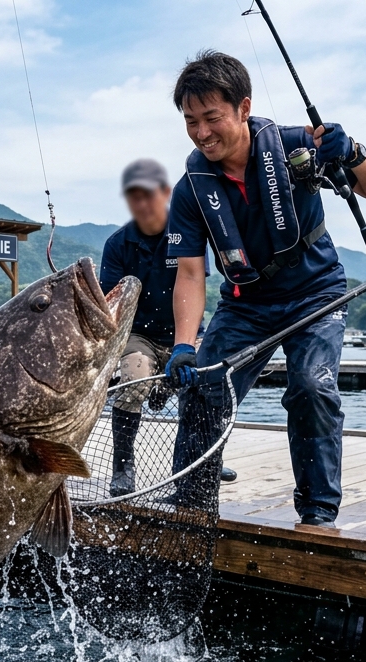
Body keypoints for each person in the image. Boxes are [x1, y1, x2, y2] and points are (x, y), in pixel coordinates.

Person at [162, 50, 366, 527]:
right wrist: (184, 344)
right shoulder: (191, 188)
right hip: (246, 301)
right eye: (190, 121)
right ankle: (190, 507)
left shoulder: (298, 148)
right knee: (206, 387)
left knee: (312, 386)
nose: (201, 132)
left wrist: (351, 151)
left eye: (212, 118)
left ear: (243, 108)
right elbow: (189, 273)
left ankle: (317, 514)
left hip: (316, 292)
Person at [99, 158, 238, 497]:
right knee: (134, 375)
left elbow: (195, 286)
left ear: (164, 194)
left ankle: (206, 458)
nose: (143, 204)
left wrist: (185, 344)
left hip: (185, 332)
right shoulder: (118, 244)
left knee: (214, 379)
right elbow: (110, 305)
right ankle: (123, 465)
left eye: (149, 195)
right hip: (140, 335)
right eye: (135, 197)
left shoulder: (185, 233)